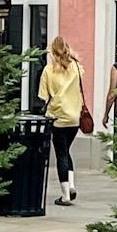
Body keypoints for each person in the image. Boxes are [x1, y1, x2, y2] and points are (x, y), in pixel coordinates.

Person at [37, 35, 85, 206]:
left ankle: (65, 195)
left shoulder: (48, 71)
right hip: (75, 117)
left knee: (61, 154)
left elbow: (43, 97)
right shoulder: (76, 68)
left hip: (57, 117)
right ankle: (71, 184)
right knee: (67, 150)